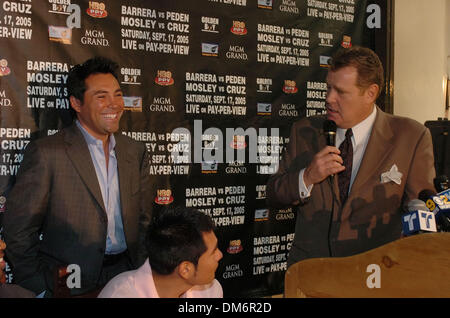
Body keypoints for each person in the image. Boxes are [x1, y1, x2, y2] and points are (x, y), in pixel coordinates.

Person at [267, 46, 435, 268]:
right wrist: (307, 177)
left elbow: (420, 213)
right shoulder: (304, 131)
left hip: (375, 276)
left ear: (370, 93)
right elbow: (274, 195)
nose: (329, 99)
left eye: (341, 92)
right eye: (328, 88)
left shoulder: (411, 137)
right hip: (311, 274)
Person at [2, 56, 153, 297]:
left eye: (117, 94)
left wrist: (143, 270)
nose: (114, 104)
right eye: (101, 96)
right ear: (76, 103)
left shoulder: (135, 151)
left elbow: (144, 220)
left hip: (128, 276)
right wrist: (40, 287)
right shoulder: (48, 153)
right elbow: (18, 231)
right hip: (68, 284)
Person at [98, 206, 223, 298]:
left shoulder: (210, 290)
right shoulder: (119, 295)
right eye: (214, 251)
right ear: (185, 269)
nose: (220, 255)